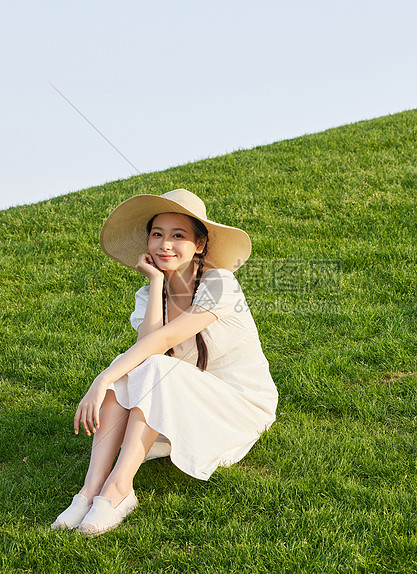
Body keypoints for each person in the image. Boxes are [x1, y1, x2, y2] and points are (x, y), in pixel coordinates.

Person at [51, 188, 278, 537]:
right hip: (187, 399)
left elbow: (161, 344)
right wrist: (156, 282)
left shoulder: (220, 284)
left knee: (140, 367)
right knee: (131, 365)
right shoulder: (148, 295)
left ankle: (119, 490)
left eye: (178, 235)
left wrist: (101, 380)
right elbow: (146, 350)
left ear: (200, 245)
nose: (165, 244)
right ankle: (88, 492)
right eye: (157, 234)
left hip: (239, 406)